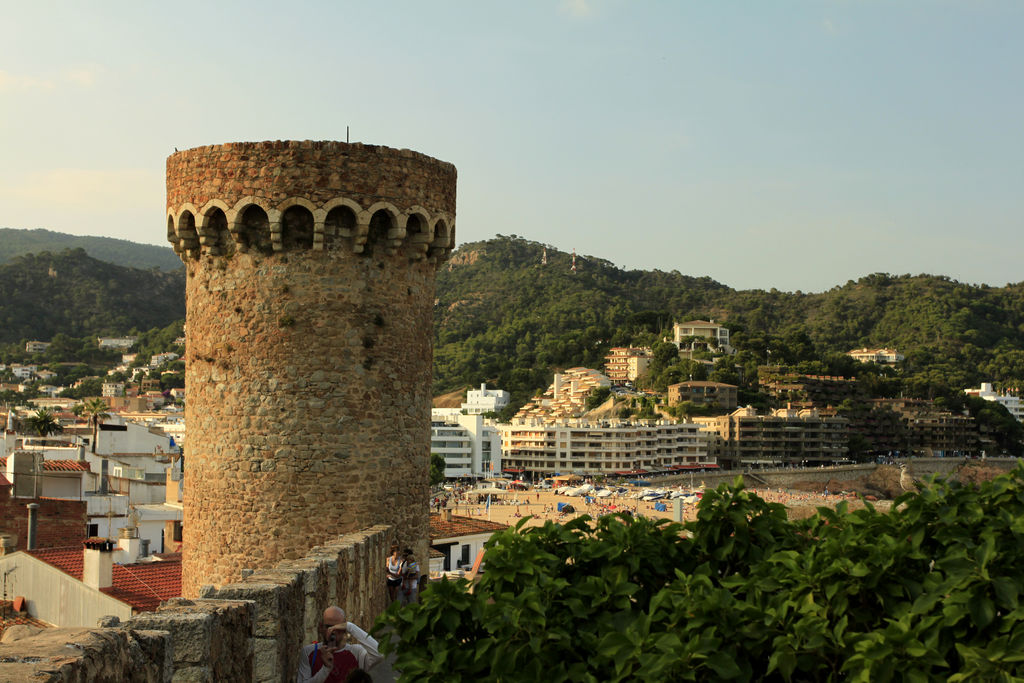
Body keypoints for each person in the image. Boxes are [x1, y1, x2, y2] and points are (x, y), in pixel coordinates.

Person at [296, 606, 382, 683]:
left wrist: (350, 627)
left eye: (337, 627)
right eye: (328, 627)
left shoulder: (356, 652)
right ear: (321, 627)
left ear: (344, 629)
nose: (333, 631)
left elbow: (379, 653)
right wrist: (325, 669)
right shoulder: (310, 652)